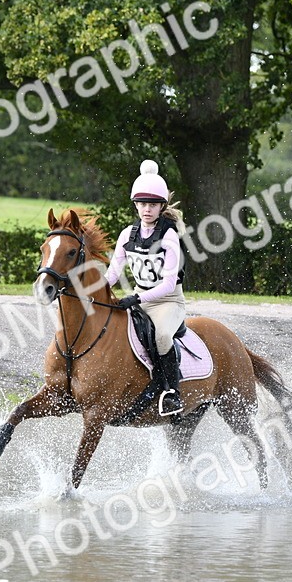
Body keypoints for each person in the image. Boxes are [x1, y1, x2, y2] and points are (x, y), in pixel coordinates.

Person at [105, 160, 187, 416]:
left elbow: (169, 283)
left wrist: (136, 297)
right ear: (136, 205)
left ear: (161, 206)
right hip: (140, 299)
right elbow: (112, 274)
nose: (146, 209)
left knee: (162, 336)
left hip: (168, 301)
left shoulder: (169, 236)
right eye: (142, 204)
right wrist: (89, 292)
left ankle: (172, 393)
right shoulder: (127, 234)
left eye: (152, 204)